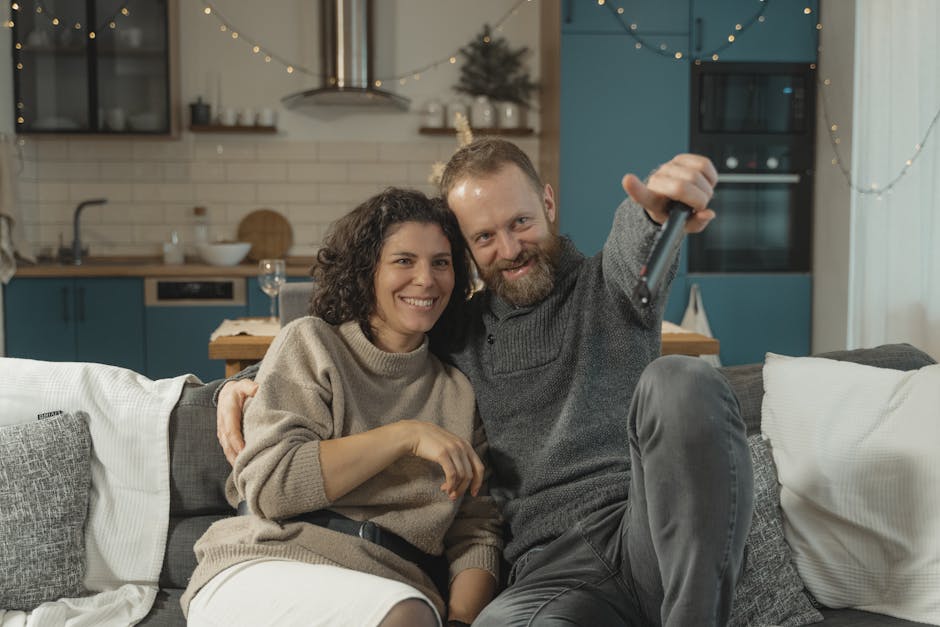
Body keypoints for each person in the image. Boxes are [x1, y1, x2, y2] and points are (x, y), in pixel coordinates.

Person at [218, 140, 753, 626]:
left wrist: (656, 212)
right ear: (467, 249)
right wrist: (247, 382)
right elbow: (373, 343)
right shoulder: (460, 329)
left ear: (548, 202)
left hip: (646, 535)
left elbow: (636, 239)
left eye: (519, 222)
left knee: (681, 380)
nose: (509, 248)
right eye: (484, 237)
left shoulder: (610, 287)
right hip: (550, 571)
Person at [184, 188, 502, 627]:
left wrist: (462, 621)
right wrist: (404, 436)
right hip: (264, 563)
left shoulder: (458, 394)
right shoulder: (312, 344)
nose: (426, 279)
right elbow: (273, 487)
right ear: (367, 271)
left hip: (391, 587)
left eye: (441, 262)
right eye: (404, 261)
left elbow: (475, 531)